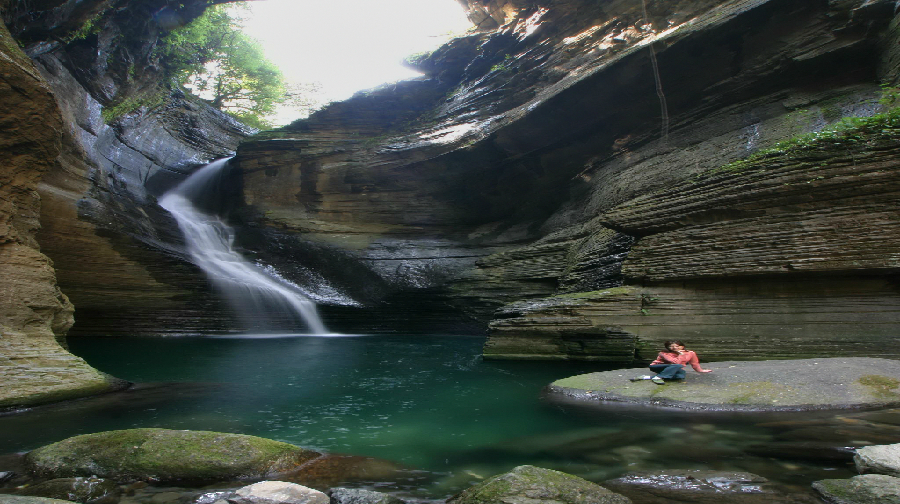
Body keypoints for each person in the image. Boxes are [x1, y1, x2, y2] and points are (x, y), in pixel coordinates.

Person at [632, 340, 713, 385]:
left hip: (674, 367)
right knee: (678, 365)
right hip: (658, 367)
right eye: (671, 346)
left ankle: (647, 377)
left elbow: (694, 363)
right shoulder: (663, 353)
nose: (674, 348)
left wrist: (700, 371)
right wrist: (681, 354)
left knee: (680, 376)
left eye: (677, 346)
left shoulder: (690, 353)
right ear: (668, 347)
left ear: (682, 346)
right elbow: (675, 362)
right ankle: (659, 377)